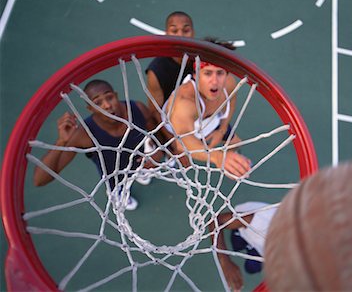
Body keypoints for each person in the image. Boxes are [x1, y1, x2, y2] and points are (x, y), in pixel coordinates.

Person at [33, 79, 160, 210]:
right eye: (98, 103)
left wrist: (157, 150)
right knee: (115, 183)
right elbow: (40, 180)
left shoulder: (137, 108)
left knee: (141, 164)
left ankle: (139, 172)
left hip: (139, 160)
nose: (107, 105)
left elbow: (153, 128)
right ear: (90, 108)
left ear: (116, 96)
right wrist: (61, 141)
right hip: (114, 174)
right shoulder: (84, 134)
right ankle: (117, 192)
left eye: (109, 97)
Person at [145, 12, 238, 150]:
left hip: (205, 115)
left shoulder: (204, 58)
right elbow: (155, 111)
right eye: (174, 30)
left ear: (193, 32)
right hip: (173, 122)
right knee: (157, 155)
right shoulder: (156, 71)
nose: (181, 35)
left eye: (186, 30)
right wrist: (174, 145)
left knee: (235, 144)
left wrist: (222, 130)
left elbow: (231, 96)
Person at [162, 38, 251, 178]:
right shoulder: (185, 101)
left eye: (220, 73)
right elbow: (183, 140)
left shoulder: (229, 83)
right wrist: (217, 156)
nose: (215, 81)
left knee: (236, 143)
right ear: (196, 74)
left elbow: (231, 103)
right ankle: (168, 154)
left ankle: (230, 160)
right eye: (208, 73)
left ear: (226, 74)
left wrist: (221, 130)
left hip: (210, 122)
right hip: (177, 130)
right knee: (180, 152)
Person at [208, 202, 277, 291]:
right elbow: (216, 221)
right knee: (237, 246)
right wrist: (225, 262)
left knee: (251, 268)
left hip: (265, 246)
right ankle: (244, 239)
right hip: (242, 229)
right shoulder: (262, 221)